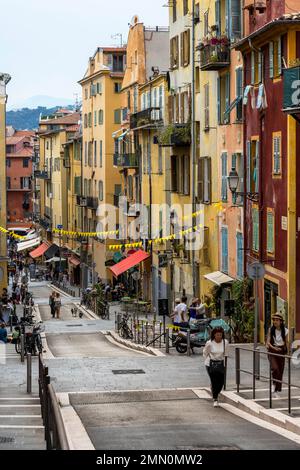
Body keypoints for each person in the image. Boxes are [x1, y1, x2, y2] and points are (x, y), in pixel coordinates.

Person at [203, 327, 229, 407]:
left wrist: (225, 365)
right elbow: (205, 353)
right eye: (217, 335)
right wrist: (208, 360)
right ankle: (215, 399)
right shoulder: (210, 343)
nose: (219, 336)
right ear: (214, 335)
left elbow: (226, 354)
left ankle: (215, 391)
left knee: (221, 382)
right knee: (214, 382)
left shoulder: (225, 342)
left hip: (221, 363)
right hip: (210, 364)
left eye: (220, 335)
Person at [266, 312, 289, 397]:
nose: (275, 322)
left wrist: (288, 354)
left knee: (280, 371)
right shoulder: (271, 330)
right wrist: (274, 348)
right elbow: (268, 342)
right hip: (272, 350)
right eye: (274, 320)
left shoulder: (285, 331)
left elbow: (286, 342)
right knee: (275, 368)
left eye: (277, 320)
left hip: (281, 351)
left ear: (281, 321)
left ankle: (277, 389)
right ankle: (274, 384)